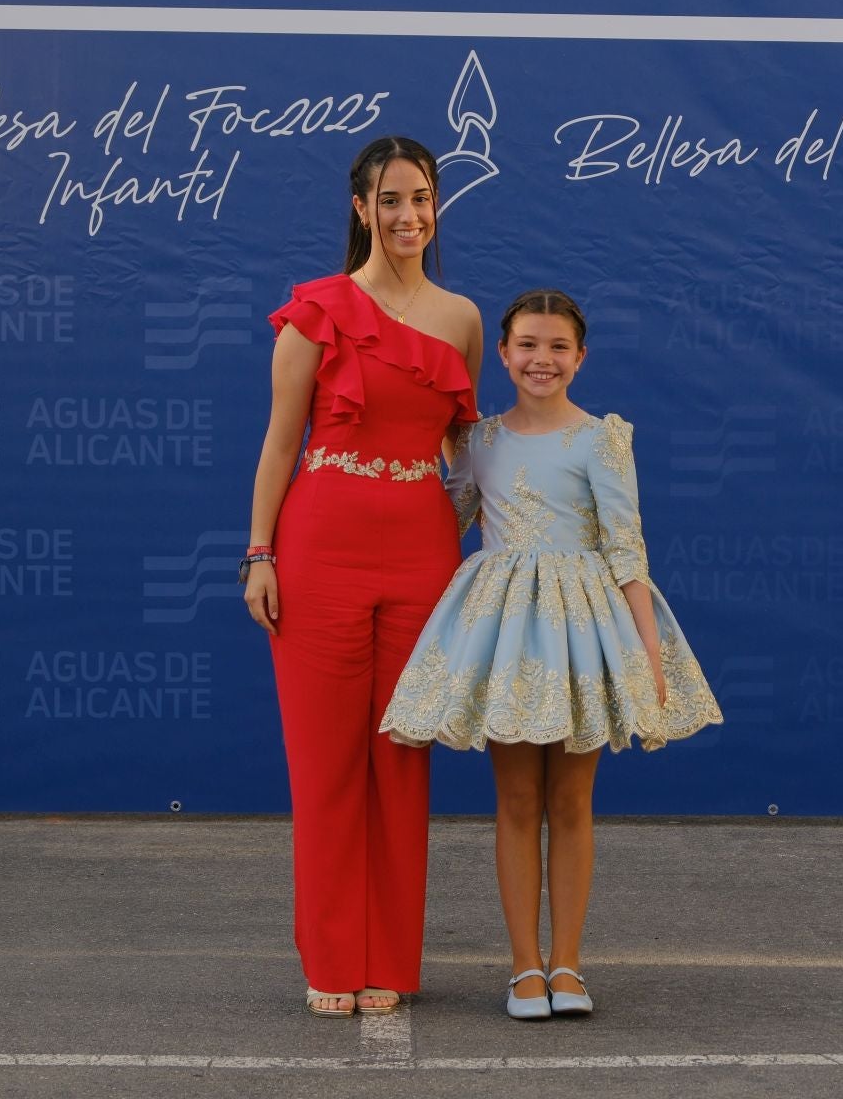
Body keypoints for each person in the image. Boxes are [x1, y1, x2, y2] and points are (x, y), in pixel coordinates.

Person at [379, 288, 723, 1019]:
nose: (543, 359)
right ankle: (523, 968)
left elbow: (626, 550)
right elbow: (445, 521)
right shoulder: (477, 441)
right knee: (515, 800)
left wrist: (648, 654)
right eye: (528, 345)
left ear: (580, 357)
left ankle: (568, 964)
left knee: (571, 800)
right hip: (506, 635)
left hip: (581, 630)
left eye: (558, 347)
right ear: (502, 354)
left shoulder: (601, 439)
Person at [243, 136, 482, 1018]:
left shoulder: (461, 318)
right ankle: (333, 954)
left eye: (422, 198)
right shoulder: (318, 310)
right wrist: (259, 554)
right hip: (319, 551)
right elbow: (279, 442)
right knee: (325, 764)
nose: (409, 215)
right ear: (361, 210)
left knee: (401, 758)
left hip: (424, 556)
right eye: (390, 200)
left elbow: (463, 449)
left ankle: (390, 957)